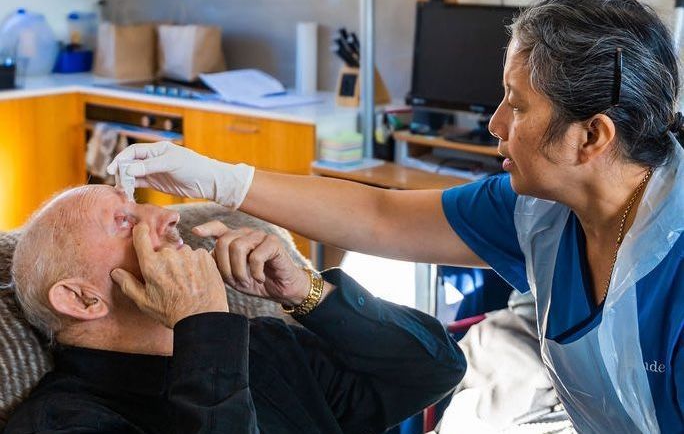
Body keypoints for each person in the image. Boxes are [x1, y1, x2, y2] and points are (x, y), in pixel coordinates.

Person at [108, 0, 684, 432]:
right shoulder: (536, 209)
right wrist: (222, 179)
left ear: (591, 137)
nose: (495, 125)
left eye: (518, 104)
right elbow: (379, 214)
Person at [5, 185, 466, 434]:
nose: (167, 217)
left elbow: (434, 368)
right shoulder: (63, 421)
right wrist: (202, 325)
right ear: (80, 298)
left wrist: (306, 293)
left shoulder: (260, 345)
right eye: (124, 222)